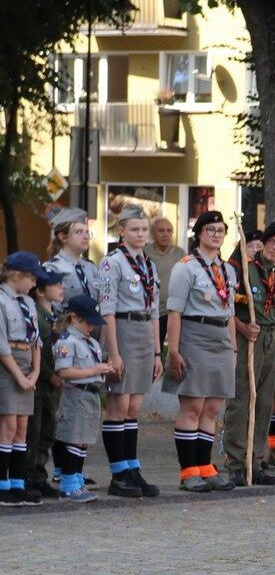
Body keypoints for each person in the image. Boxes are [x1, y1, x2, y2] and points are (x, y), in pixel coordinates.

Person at [163, 210, 239, 493]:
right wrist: (174, 350)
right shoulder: (186, 267)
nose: (216, 234)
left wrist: (233, 348)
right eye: (211, 230)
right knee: (193, 406)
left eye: (221, 230)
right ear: (199, 234)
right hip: (194, 335)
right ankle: (188, 471)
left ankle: (205, 467)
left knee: (213, 408)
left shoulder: (227, 270)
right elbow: (174, 312)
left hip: (220, 338)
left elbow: (229, 313)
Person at [99, 204, 164, 497]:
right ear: (121, 230)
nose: (140, 234)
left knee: (135, 407)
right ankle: (118, 474)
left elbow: (154, 311)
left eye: (144, 230)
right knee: (119, 405)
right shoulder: (112, 263)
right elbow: (107, 310)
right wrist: (113, 353)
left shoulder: (148, 265)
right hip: (122, 330)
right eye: (134, 229)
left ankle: (131, 467)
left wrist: (157, 353)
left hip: (143, 334)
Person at [225, 220, 275, 485]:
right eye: (273, 242)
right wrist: (242, 327)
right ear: (263, 244)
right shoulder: (245, 268)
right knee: (242, 398)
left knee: (264, 400)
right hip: (249, 336)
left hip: (272, 336)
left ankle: (257, 459)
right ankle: (236, 461)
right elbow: (228, 305)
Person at [0, 253, 54, 504]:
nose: (34, 284)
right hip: (8, 366)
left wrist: (34, 371)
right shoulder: (1, 301)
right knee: (8, 426)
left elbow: (36, 340)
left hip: (26, 366)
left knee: (23, 426)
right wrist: (19, 378)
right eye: (31, 278)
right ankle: (3, 483)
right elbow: (1, 345)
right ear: (16, 275)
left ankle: (18, 481)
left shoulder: (29, 303)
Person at [51, 296, 112, 503]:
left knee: (83, 440)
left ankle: (77, 478)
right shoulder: (67, 342)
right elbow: (64, 371)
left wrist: (102, 371)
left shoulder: (91, 342)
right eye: (87, 322)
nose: (91, 327)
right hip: (76, 394)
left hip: (91, 394)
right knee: (74, 438)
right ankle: (68, 484)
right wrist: (93, 370)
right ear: (74, 317)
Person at [148, 214, 184, 306]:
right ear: (152, 234)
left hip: (174, 310)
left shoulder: (180, 253)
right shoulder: (144, 253)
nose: (165, 234)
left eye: (169, 231)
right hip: (150, 309)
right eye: (161, 230)